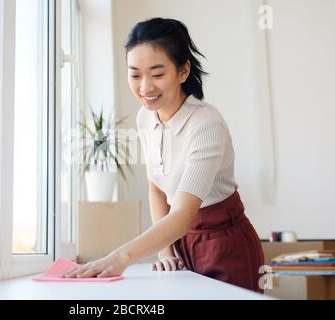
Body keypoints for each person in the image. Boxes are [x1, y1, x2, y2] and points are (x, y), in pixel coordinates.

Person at [63, 17, 265, 293]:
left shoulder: (205, 123)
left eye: (157, 74)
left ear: (183, 71)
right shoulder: (145, 118)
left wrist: (119, 258)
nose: (145, 87)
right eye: (135, 75)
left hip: (224, 244)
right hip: (179, 240)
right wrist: (166, 252)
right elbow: (157, 189)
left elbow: (181, 214)